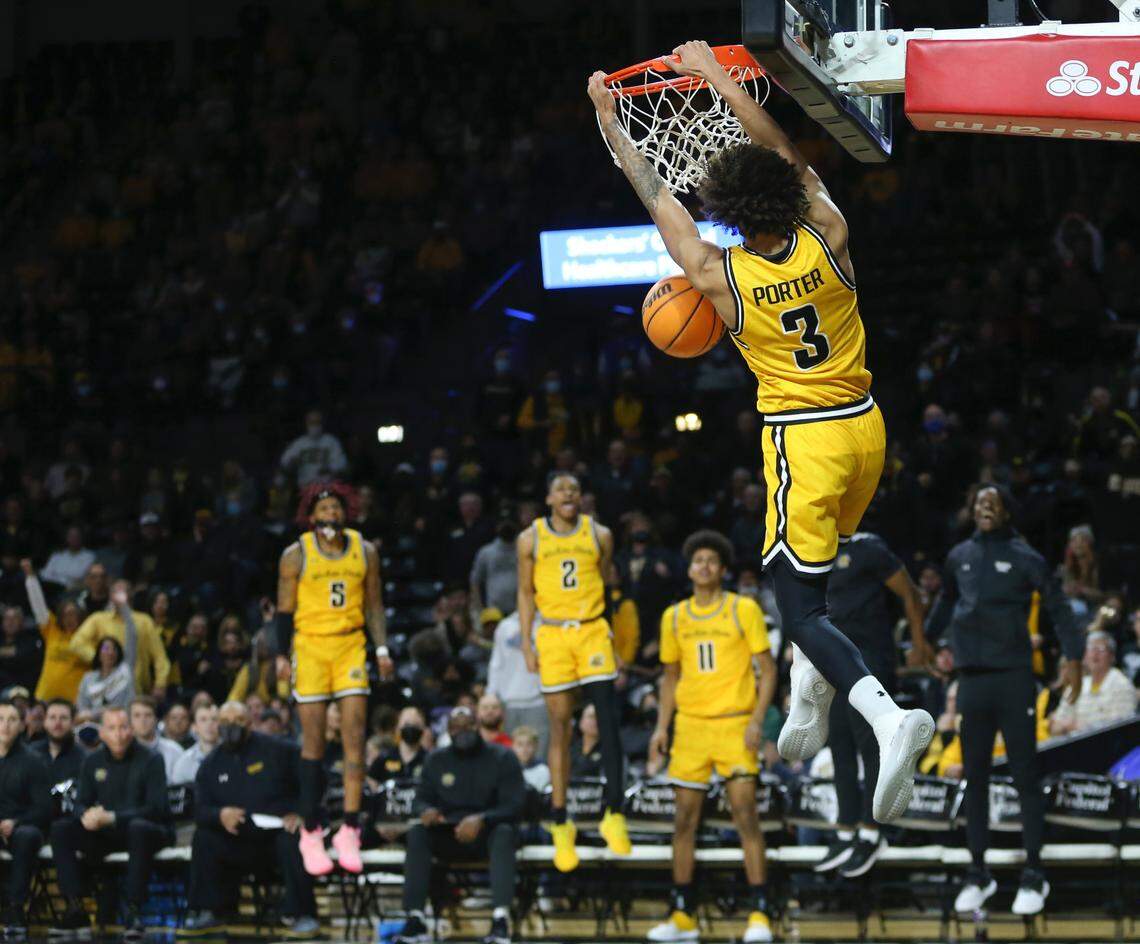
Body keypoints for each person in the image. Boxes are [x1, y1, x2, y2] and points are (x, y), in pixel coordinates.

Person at [587, 40, 931, 826]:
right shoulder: (829, 235)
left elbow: (652, 193)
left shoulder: (722, 279)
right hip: (865, 430)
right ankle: (814, 685)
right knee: (821, 574)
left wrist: (612, 120)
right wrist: (715, 77)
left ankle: (887, 718)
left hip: (805, 440)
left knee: (797, 607)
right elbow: (783, 152)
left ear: (730, 215)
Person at [926, 485, 1085, 917]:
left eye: (993, 503)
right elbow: (945, 603)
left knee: (1024, 778)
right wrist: (922, 641)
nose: (985, 508)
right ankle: (978, 872)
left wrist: (1073, 656)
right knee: (973, 779)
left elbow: (1059, 608)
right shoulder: (958, 556)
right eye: (979, 502)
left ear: (1007, 512)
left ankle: (1034, 872)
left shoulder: (1025, 557)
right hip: (972, 681)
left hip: (1014, 679)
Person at [647, 530, 777, 944]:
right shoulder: (675, 617)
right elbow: (669, 679)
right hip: (690, 727)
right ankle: (683, 915)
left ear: (722, 570)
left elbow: (769, 670)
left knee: (745, 816)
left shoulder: (743, 609)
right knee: (683, 821)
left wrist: (758, 718)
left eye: (711, 560)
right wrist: (661, 727)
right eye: (697, 560)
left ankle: (760, 912)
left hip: (735, 723)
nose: (703, 566)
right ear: (689, 569)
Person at [272, 482, 391, 876]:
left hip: (350, 646)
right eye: (322, 508)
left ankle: (351, 828)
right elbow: (284, 613)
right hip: (309, 647)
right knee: (314, 743)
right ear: (311, 515)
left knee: (355, 736)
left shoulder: (364, 550)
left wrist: (383, 649)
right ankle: (311, 829)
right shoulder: (296, 554)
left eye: (336, 507)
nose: (330, 514)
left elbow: (374, 606)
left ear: (346, 512)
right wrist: (281, 656)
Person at [517, 472, 631, 872]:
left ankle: (613, 813)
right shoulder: (530, 539)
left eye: (574, 488)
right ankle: (561, 820)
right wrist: (528, 644)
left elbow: (604, 586)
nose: (568, 493)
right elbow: (525, 592)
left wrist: (613, 641)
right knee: (560, 729)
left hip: (592, 631)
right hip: (552, 635)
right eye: (561, 488)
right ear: (548, 497)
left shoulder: (599, 534)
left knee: (608, 722)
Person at [816, 532, 934, 878]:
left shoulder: (868, 548)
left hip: (869, 663)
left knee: (871, 748)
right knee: (838, 744)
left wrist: (917, 642)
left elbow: (911, 593)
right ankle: (846, 830)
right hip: (833, 664)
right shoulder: (815, 549)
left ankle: (872, 830)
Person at [179, 702, 318, 937]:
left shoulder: (279, 750)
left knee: (291, 839)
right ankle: (209, 911)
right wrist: (220, 815)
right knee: (204, 837)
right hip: (238, 840)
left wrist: (301, 812)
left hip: (276, 836)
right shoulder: (211, 764)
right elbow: (200, 810)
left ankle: (302, 913)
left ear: (250, 724)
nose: (230, 727)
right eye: (224, 722)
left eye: (238, 722)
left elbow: (312, 779)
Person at [392, 706, 525, 944]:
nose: (463, 731)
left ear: (478, 726)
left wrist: (482, 819)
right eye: (456, 727)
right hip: (448, 832)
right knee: (418, 833)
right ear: (449, 731)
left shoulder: (503, 757)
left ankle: (500, 919)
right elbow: (420, 799)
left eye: (469, 726)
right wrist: (426, 811)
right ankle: (415, 919)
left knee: (505, 833)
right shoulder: (436, 759)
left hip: (488, 833)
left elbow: (515, 805)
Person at [49, 705, 172, 941]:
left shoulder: (152, 759)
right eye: (112, 728)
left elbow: (157, 809)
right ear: (102, 733)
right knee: (61, 829)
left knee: (138, 828)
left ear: (132, 729)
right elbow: (80, 803)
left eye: (123, 727)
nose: (118, 734)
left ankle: (133, 912)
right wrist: (86, 815)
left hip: (147, 831)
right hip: (106, 832)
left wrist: (114, 817)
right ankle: (75, 907)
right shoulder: (92, 761)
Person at [0, 700, 51, 940]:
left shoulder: (33, 761)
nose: (5, 725)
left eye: (11, 720)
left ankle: (16, 908)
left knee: (28, 836)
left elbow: (44, 808)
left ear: (22, 725)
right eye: (0, 719)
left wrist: (15, 823)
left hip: (22, 826)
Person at [69, 579, 170, 701]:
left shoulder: (144, 621)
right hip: (106, 686)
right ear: (110, 596)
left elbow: (160, 656)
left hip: (137, 688)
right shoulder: (98, 619)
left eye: (123, 592)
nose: (119, 597)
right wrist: (101, 657)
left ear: (130, 595)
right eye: (116, 593)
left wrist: (160, 684)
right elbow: (76, 643)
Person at [22, 560, 87, 703]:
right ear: (60, 617)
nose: (69, 618)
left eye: (73, 614)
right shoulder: (52, 630)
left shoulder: (89, 636)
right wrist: (31, 578)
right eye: (66, 614)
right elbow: (38, 605)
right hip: (45, 697)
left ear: (81, 616)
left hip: (74, 702)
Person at [1048, 632, 1137, 735]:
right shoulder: (1075, 687)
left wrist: (1075, 726)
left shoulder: (1122, 685)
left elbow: (1120, 730)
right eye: (1091, 648)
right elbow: (1055, 728)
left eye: (1101, 648)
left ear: (1112, 656)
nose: (1095, 653)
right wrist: (1063, 726)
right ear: (1085, 656)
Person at [486, 610, 547, 755]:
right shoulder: (505, 626)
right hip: (508, 701)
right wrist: (491, 694)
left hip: (538, 701)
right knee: (508, 753)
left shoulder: (545, 624)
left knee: (538, 753)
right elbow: (497, 662)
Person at [76, 637, 135, 718]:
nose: (110, 652)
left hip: (119, 721)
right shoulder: (88, 678)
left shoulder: (125, 675)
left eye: (114, 649)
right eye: (106, 648)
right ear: (98, 654)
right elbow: (82, 706)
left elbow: (130, 704)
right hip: (91, 723)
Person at [30, 698, 85, 785]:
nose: (57, 723)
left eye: (63, 718)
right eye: (52, 717)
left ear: (73, 723)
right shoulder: (30, 753)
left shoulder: (84, 759)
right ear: (45, 722)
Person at [368, 706, 429, 782]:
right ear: (398, 727)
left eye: (416, 724)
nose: (411, 727)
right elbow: (371, 781)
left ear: (423, 728)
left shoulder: (429, 760)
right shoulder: (384, 758)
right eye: (406, 724)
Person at [129, 696, 184, 780]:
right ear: (130, 720)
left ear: (155, 719)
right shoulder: (123, 753)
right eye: (137, 716)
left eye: (148, 715)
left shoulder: (174, 751)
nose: (143, 720)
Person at [171, 702, 220, 785]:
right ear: (194, 727)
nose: (209, 724)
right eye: (203, 720)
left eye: (214, 719)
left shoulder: (233, 757)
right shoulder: (184, 763)